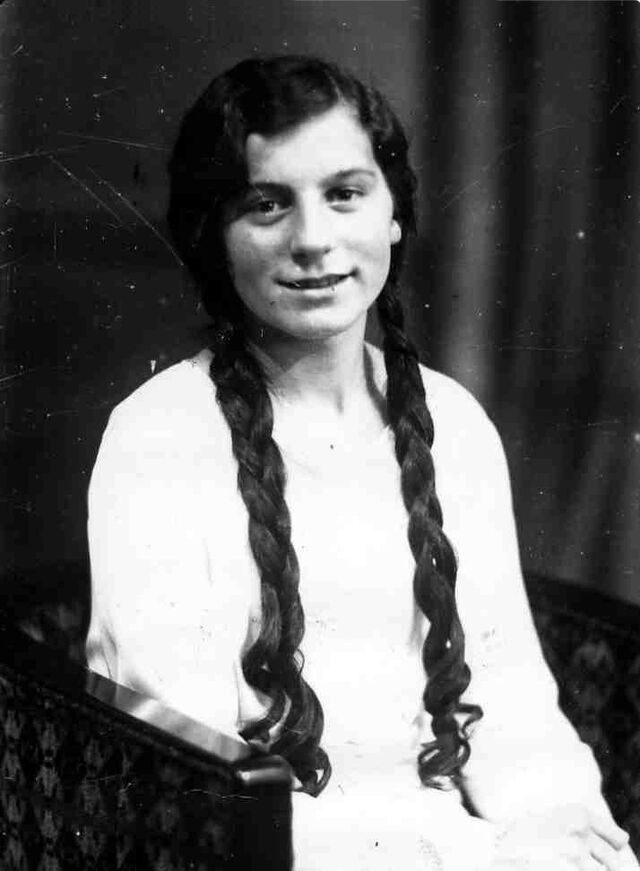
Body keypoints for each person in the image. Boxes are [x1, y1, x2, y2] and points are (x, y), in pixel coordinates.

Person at [85, 55, 638, 870]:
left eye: (345, 193)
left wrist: (559, 823)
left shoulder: (453, 423)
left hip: (463, 843)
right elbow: (190, 780)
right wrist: (475, 856)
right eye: (266, 204)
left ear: (394, 215)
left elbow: (511, 697)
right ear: (214, 238)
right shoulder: (159, 440)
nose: (314, 240)